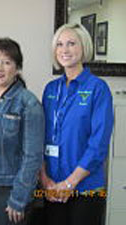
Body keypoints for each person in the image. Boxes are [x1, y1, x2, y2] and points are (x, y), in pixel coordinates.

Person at [40, 23, 114, 225]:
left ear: (84, 48)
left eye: (71, 43)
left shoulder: (98, 89)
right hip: (53, 188)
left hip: (86, 188)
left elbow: (98, 145)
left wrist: (70, 183)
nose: (65, 50)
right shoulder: (50, 89)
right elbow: (39, 136)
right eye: (60, 44)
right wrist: (45, 181)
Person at [0, 37, 45, 225]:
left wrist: (19, 198)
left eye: (7, 62)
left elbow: (33, 156)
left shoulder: (28, 103)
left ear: (17, 67)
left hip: (8, 190)